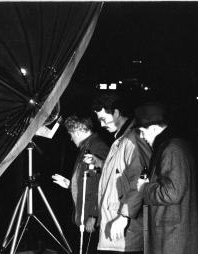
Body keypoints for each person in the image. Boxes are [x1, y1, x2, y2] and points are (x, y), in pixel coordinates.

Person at [86, 93, 151, 254]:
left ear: (115, 112)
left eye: (102, 119)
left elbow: (140, 180)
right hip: (116, 231)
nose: (101, 125)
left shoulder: (132, 140)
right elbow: (123, 172)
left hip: (124, 236)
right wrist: (100, 163)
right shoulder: (122, 139)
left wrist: (123, 217)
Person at [136, 102, 198, 254]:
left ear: (153, 128)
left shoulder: (171, 149)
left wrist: (144, 188)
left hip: (171, 239)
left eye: (142, 131)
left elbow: (171, 193)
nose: (142, 137)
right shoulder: (174, 146)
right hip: (172, 234)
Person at [52, 115, 110, 253]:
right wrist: (70, 184)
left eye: (71, 134)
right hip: (87, 216)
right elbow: (88, 180)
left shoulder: (98, 147)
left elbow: (104, 183)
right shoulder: (87, 147)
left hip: (92, 219)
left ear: (77, 131)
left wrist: (94, 215)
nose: (71, 138)